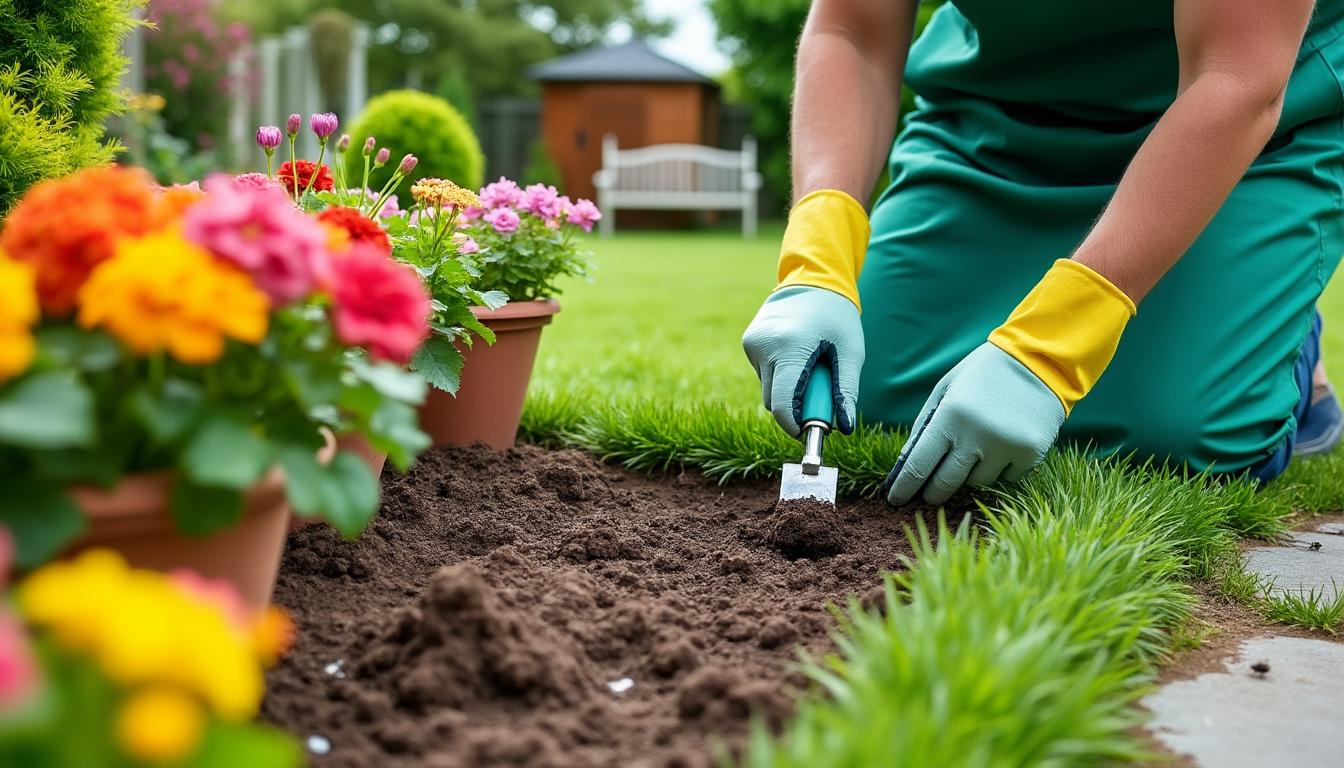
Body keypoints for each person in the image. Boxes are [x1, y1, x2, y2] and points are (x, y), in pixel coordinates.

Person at [743, 0, 1344, 506]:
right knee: (868, 393)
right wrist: (817, 263)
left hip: (1245, 137)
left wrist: (1050, 351)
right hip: (996, 130)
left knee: (1177, 439)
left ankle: (1289, 342)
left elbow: (1237, 76)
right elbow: (854, 32)